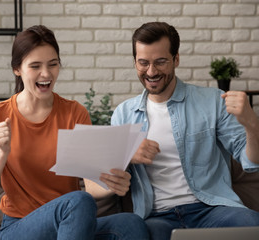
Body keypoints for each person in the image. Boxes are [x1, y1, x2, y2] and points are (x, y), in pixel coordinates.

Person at [0, 25, 149, 240]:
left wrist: (111, 185)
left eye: (53, 64)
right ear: (17, 69)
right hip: (19, 227)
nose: (46, 74)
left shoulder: (74, 113)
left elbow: (91, 184)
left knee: (130, 224)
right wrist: (2, 152)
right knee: (79, 202)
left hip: (70, 221)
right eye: (35, 66)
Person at [110, 21, 259, 240]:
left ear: (176, 59)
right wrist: (126, 155)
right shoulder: (123, 114)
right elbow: (110, 177)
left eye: (160, 62)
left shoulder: (212, 102)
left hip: (211, 209)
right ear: (135, 62)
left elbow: (251, 161)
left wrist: (252, 124)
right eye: (143, 63)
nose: (151, 72)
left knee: (251, 224)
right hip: (157, 216)